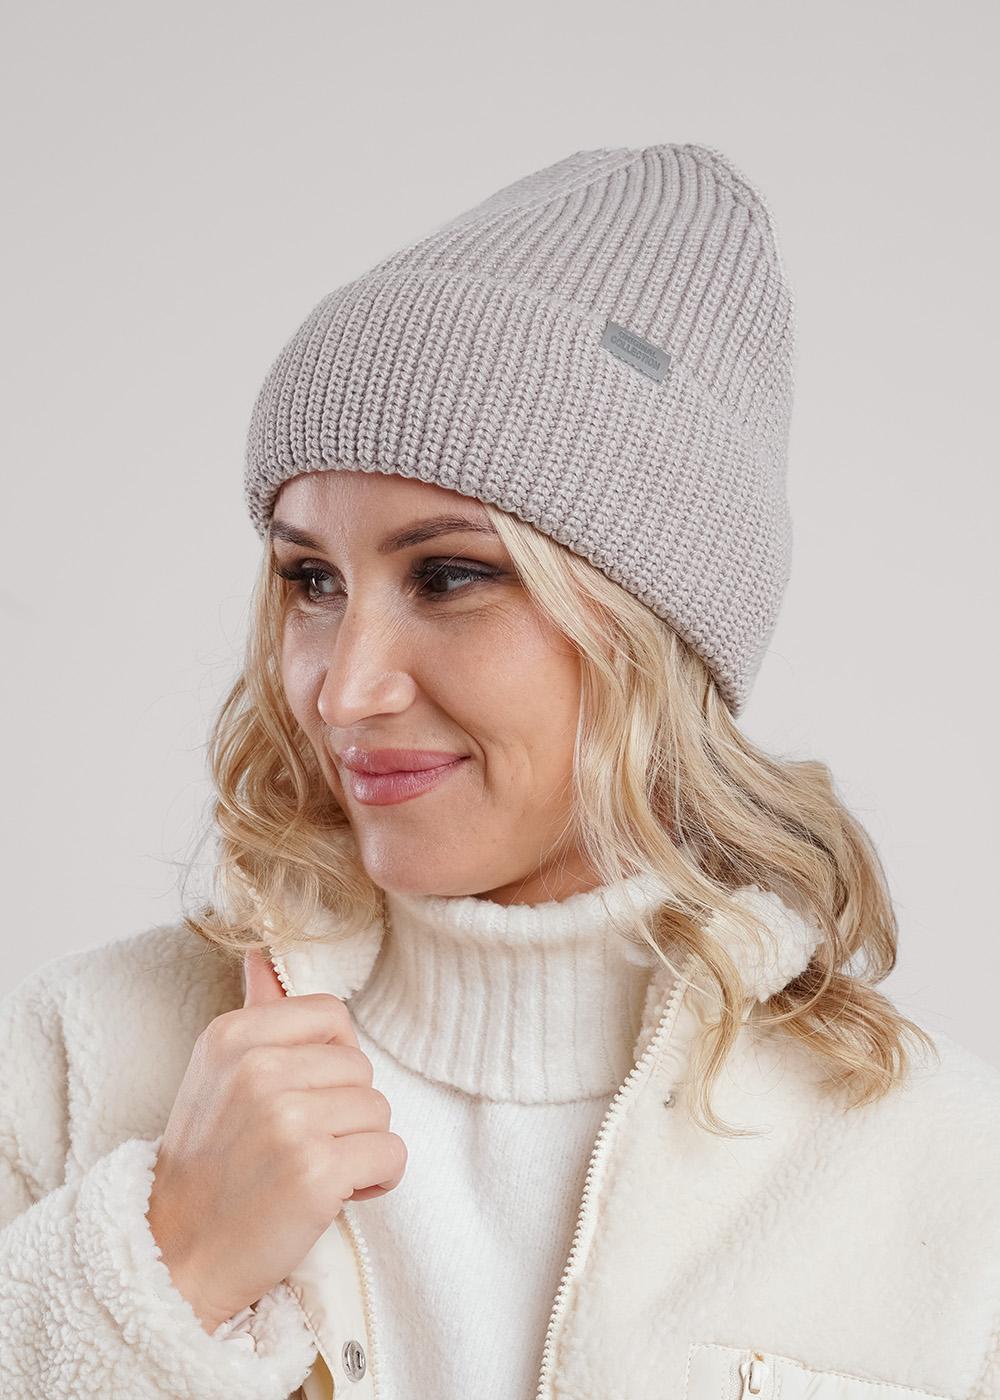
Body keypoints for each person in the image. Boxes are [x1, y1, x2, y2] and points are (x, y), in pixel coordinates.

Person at [1, 143, 997, 1400]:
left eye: (449, 575)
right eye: (312, 579)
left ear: (650, 627)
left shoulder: (939, 1173)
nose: (343, 688)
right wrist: (165, 1263)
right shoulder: (84, 1060)